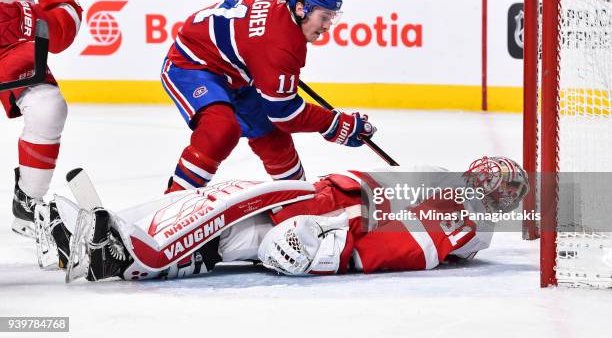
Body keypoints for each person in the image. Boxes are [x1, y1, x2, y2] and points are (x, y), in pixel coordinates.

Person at [39, 156, 529, 281]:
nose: (482, 185)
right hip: (324, 207)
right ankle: (103, 231)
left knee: (232, 234)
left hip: (331, 230)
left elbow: (409, 245)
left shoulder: (471, 225)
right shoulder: (455, 198)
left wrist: (333, 248)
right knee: (218, 201)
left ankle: (123, 258)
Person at [159, 0, 375, 194]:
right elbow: (286, 114)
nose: (328, 25)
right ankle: (173, 199)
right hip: (192, 62)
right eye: (325, 17)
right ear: (301, 9)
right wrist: (335, 124)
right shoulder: (280, 47)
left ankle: (298, 198)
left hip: (237, 72)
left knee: (272, 136)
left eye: (332, 17)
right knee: (221, 128)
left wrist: (243, 34)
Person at [1, 0, 82, 237]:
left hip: (5, 44)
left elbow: (67, 22)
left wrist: (27, 16)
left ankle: (28, 201)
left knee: (47, 107)